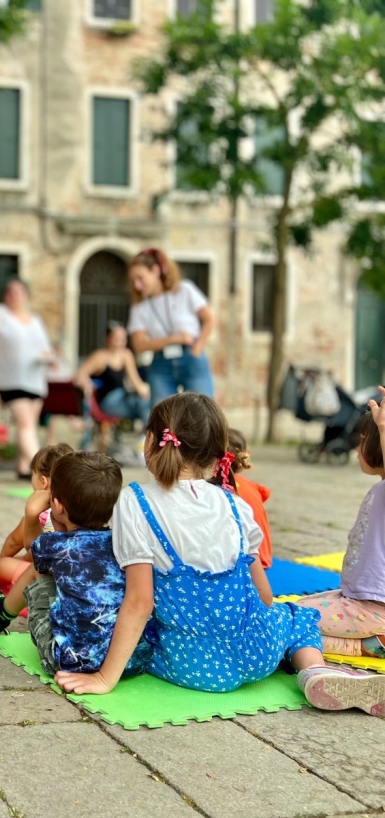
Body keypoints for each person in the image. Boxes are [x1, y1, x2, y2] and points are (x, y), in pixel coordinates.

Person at [56, 393, 385, 718]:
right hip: (257, 654)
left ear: (152, 441)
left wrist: (103, 677)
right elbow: (265, 597)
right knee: (298, 618)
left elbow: (139, 602)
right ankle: (313, 670)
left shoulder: (135, 501)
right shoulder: (236, 506)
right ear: (216, 459)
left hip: (189, 664)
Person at [0, 452, 152, 678]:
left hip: (69, 662)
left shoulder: (56, 545)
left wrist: (32, 514)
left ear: (56, 505)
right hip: (130, 660)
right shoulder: (122, 541)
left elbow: (33, 551)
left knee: (37, 570)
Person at [294, 410, 385, 658]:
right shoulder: (379, 489)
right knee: (297, 609)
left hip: (373, 610)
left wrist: (383, 426)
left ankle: (369, 645)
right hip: (360, 602)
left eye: (363, 439)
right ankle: (374, 640)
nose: (356, 449)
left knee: (289, 625)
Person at [0, 278, 55, 480]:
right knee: (26, 425)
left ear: (27, 296)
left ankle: (23, 468)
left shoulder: (36, 321)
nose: (14, 296)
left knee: (29, 424)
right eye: (10, 292)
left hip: (35, 380)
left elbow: (46, 348)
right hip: (11, 380)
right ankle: (44, 473)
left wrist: (50, 359)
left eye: (18, 292)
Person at [126, 248, 215, 407]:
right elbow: (139, 345)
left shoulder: (184, 290)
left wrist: (198, 346)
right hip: (161, 363)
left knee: (203, 413)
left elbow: (209, 319)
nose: (137, 285)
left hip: (191, 356)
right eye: (133, 280)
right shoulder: (140, 306)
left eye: (140, 278)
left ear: (155, 271)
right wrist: (173, 339)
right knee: (162, 418)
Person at [0, 443, 73, 587]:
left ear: (43, 482)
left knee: (4, 565)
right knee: (32, 555)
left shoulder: (41, 514)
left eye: (33, 474)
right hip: (77, 576)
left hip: (46, 581)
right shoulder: (78, 507)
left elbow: (14, 541)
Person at [75, 321, 150, 426]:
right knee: (142, 406)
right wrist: (86, 383)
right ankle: (148, 435)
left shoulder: (126, 354)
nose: (120, 343)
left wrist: (147, 393)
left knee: (145, 403)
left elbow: (136, 382)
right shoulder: (100, 356)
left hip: (123, 396)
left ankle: (148, 435)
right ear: (107, 338)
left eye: (123, 339)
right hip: (108, 401)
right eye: (117, 339)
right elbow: (80, 373)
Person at [226, 429, 273, 569]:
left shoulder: (219, 489)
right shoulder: (252, 486)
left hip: (249, 563)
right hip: (265, 557)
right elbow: (265, 493)